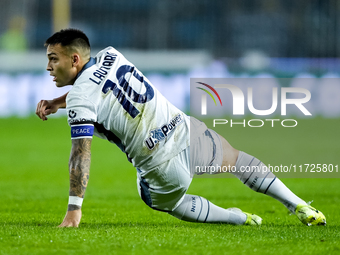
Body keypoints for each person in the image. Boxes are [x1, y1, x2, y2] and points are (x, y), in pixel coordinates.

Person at [36, 28, 326, 228]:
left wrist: (74, 209)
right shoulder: (112, 55)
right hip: (186, 131)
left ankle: (237, 218)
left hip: (161, 169)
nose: (49, 66)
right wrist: (58, 102)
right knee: (237, 160)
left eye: (53, 58)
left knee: (165, 203)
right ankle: (299, 204)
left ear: (74, 59)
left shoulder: (79, 98)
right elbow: (97, 85)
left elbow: (80, 154)